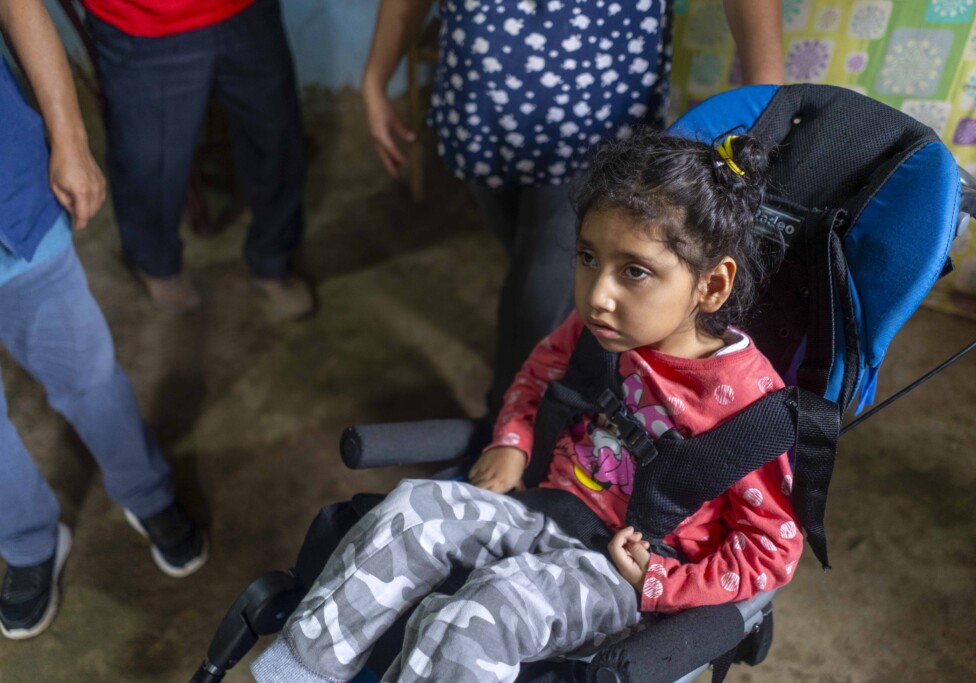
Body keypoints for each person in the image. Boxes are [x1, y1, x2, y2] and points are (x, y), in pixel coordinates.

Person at [251, 129, 802, 682]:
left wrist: (663, 582)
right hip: (547, 506)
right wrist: (512, 439)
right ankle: (298, 673)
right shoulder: (600, 330)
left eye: (634, 270)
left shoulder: (750, 414)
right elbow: (539, 372)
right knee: (414, 508)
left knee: (481, 611)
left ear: (712, 286)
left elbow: (770, 552)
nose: (597, 294)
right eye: (588, 257)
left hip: (624, 572)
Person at [362, 0, 783, 419]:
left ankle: (510, 431)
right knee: (556, 286)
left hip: (594, 119)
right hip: (480, 106)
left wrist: (770, 110)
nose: (599, 297)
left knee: (538, 298)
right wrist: (375, 76)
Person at [0, 0, 206, 641]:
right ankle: (28, 542)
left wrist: (70, 138)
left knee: (85, 369)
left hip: (9, 199)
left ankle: (146, 493)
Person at [82, 0, 314, 319]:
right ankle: (155, 265)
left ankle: (274, 259)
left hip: (246, 10)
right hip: (142, 20)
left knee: (276, 137)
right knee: (148, 161)